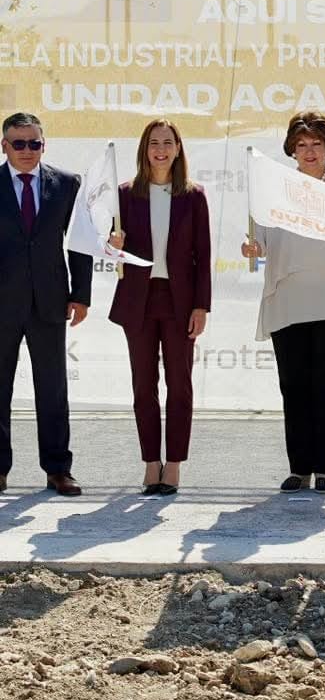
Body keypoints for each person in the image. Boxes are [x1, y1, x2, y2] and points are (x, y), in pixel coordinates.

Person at [241, 114, 325, 493]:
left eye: (316, 144)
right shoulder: (272, 187)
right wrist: (252, 247)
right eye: (301, 145)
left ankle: (324, 468)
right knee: (293, 385)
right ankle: (299, 467)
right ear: (291, 150)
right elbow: (260, 240)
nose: (309, 152)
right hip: (288, 297)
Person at [108, 119, 211, 494]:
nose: (161, 149)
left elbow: (204, 256)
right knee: (143, 385)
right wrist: (113, 242)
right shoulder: (125, 194)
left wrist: (201, 306)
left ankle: (174, 465)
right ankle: (151, 463)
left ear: (179, 148)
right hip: (139, 299)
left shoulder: (193, 196)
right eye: (154, 143)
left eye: (168, 142)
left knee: (180, 386)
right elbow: (110, 248)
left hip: (180, 302)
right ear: (144, 149)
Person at [0, 112, 90, 495]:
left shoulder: (68, 184)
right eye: (18, 143)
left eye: (33, 143)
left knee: (52, 389)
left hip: (51, 302)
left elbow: (81, 242)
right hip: (2, 302)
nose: (26, 150)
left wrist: (81, 295)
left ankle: (58, 469)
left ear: (43, 145)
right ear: (4, 146)